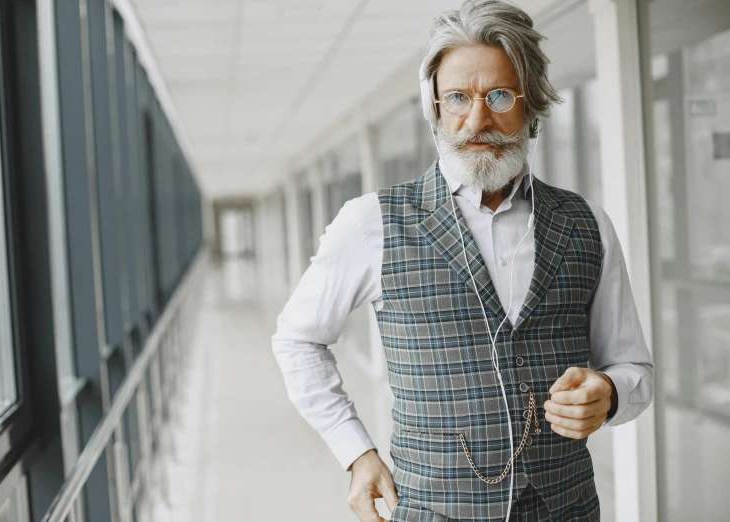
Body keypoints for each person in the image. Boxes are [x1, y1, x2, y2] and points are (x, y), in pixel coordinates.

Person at [271, 1, 654, 520]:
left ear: (531, 104)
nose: (477, 119)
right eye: (457, 97)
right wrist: (356, 453)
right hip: (432, 510)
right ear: (434, 107)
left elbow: (634, 368)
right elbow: (297, 338)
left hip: (569, 508)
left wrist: (610, 392)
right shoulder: (371, 223)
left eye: (499, 95)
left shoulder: (589, 223)